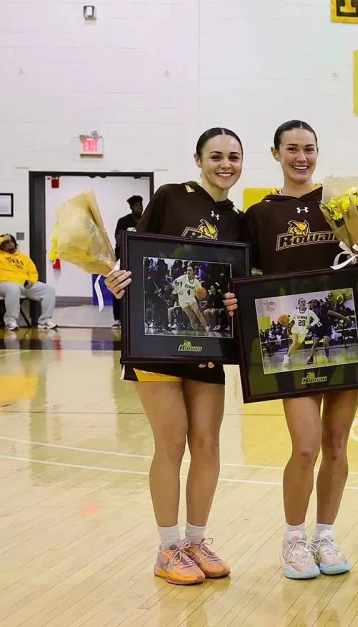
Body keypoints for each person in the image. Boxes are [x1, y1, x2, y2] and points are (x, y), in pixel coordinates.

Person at [103, 127, 244, 585]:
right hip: (157, 344)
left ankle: (196, 541)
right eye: (217, 156)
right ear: (199, 159)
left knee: (207, 443)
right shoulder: (169, 197)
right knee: (173, 442)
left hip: (207, 345)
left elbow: (237, 283)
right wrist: (116, 281)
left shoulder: (237, 218)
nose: (226, 164)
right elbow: (136, 259)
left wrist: (234, 302)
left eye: (234, 157)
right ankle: (167, 547)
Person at [237, 120, 358, 580]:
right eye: (292, 149)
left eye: (309, 148)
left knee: (336, 444)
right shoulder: (259, 214)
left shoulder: (341, 205)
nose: (301, 157)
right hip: (289, 344)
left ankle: (325, 535)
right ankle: (293, 539)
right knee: (306, 446)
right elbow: (245, 274)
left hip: (346, 333)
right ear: (276, 154)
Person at [0, 234, 57, 330]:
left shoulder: (24, 257)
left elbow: (33, 272)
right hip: (5, 284)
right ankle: (10, 322)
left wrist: (32, 281)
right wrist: (2, 238)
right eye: (6, 242)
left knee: (49, 289)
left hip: (24, 284)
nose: (10, 244)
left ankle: (44, 322)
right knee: (13, 289)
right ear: (1, 245)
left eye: (11, 241)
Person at [113, 194, 144, 326]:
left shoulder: (145, 220)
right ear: (131, 207)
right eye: (136, 205)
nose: (139, 208)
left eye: (141, 204)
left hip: (139, 259)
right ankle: (119, 318)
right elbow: (118, 239)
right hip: (123, 259)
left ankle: (137, 317)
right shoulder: (123, 222)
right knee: (119, 286)